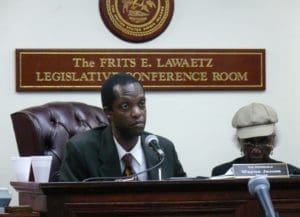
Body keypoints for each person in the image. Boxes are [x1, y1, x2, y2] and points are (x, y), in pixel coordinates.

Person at [59, 73, 186, 181]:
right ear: (109, 113)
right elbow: (66, 203)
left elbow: (185, 197)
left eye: (141, 104)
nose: (137, 113)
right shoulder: (81, 150)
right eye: (125, 106)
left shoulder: (163, 149)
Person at [211, 102, 299, 176]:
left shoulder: (293, 174)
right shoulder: (221, 173)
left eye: (263, 141)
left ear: (273, 140)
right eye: (249, 141)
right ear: (239, 141)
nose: (256, 149)